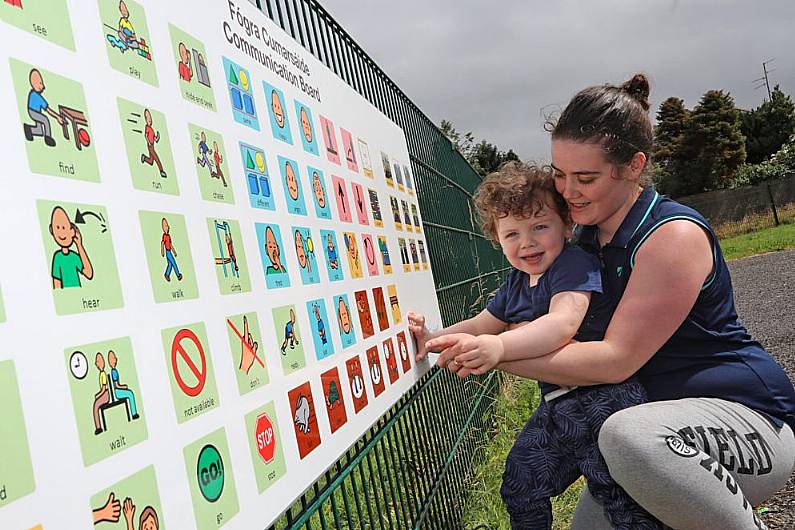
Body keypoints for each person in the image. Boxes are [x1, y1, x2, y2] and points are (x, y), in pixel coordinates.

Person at [425, 74, 795, 530]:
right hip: (643, 432)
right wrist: (446, 340)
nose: (567, 191)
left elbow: (614, 361)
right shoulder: (576, 239)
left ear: (634, 166)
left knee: (624, 435)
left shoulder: (670, 235)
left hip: (742, 423)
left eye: (586, 178)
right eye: (559, 175)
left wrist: (497, 353)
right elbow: (501, 316)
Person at [409, 162, 659, 529]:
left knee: (620, 498)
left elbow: (562, 324)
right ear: (496, 239)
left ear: (567, 226)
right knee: (521, 483)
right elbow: (482, 325)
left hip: (605, 401)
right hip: (558, 407)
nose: (527, 242)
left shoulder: (573, 264)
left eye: (540, 227)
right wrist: (433, 338)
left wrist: (499, 348)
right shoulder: (515, 281)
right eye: (512, 234)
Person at [49, 206, 93, 289]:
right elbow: (56, 283)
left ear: (72, 231)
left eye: (64, 228)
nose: (61, 232)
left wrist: (79, 245)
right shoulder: (57, 257)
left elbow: (89, 273)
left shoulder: (74, 257)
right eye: (57, 228)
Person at [24, 68, 63, 147]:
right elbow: (48, 110)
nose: (43, 86)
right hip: (33, 112)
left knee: (40, 131)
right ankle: (48, 138)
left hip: (36, 112)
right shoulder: (37, 96)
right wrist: (57, 117)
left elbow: (47, 109)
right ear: (34, 83)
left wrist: (58, 117)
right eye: (40, 83)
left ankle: (29, 129)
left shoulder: (34, 94)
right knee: (45, 120)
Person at [140, 109, 166, 178]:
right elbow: (145, 135)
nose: (150, 119)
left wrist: (158, 137)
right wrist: (148, 143)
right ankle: (161, 171)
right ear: (145, 119)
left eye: (150, 118)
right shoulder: (147, 128)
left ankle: (144, 158)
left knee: (151, 162)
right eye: (148, 118)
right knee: (157, 158)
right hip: (150, 146)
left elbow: (155, 139)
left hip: (152, 145)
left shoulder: (151, 129)